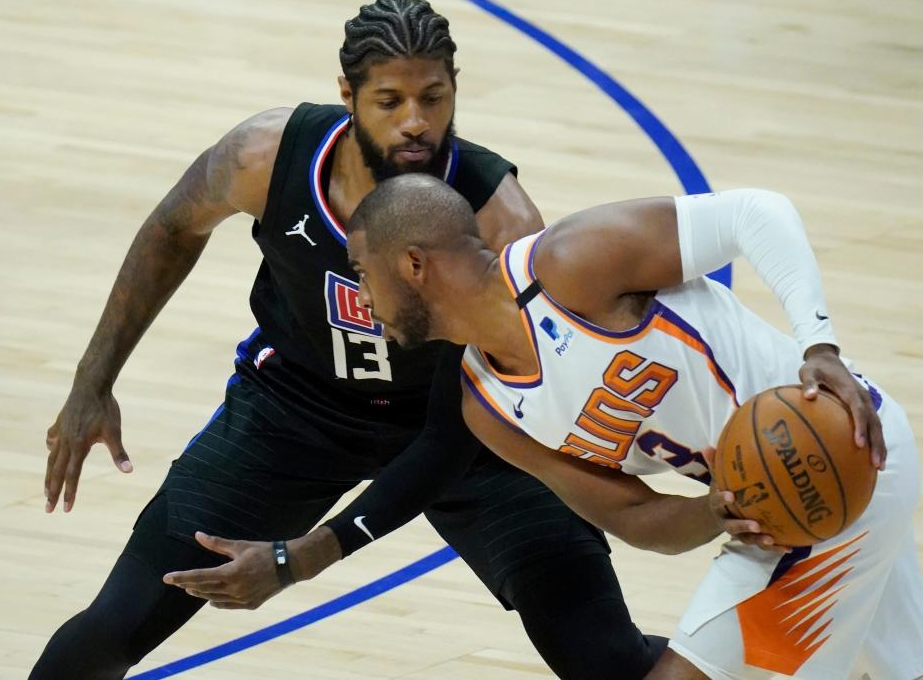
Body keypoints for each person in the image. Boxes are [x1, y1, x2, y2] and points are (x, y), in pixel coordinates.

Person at [31, 0, 667, 680]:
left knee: (606, 661)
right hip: (292, 414)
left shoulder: (500, 219)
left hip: (469, 431)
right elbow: (170, 229)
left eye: (434, 97)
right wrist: (92, 382)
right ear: (347, 95)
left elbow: (458, 431)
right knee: (111, 630)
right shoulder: (265, 157)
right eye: (389, 101)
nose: (416, 122)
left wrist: (309, 554)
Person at [344, 174, 923, 680]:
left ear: (413, 265)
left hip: (843, 450)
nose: (361, 300)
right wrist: (712, 511)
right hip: (779, 505)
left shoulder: (568, 266)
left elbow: (755, 212)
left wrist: (818, 344)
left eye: (362, 274)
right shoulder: (487, 408)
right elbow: (633, 517)